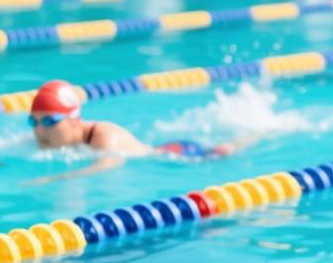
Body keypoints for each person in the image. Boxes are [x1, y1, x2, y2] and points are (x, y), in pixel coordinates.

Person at [21, 79, 246, 184]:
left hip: (178, 153)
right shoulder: (49, 139)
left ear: (73, 120)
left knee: (225, 150)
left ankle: (250, 136)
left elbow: (107, 164)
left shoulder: (103, 136)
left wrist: (54, 179)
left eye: (50, 121)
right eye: (34, 121)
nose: (40, 130)